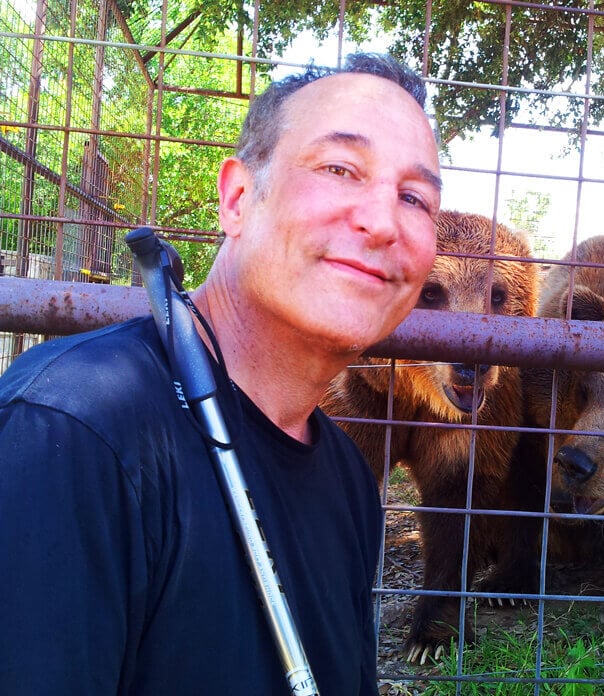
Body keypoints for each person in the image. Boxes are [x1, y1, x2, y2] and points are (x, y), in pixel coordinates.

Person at [0, 52, 442, 694]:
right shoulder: (71, 434)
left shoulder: (348, 477)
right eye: (339, 168)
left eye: (414, 197)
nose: (382, 222)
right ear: (237, 197)